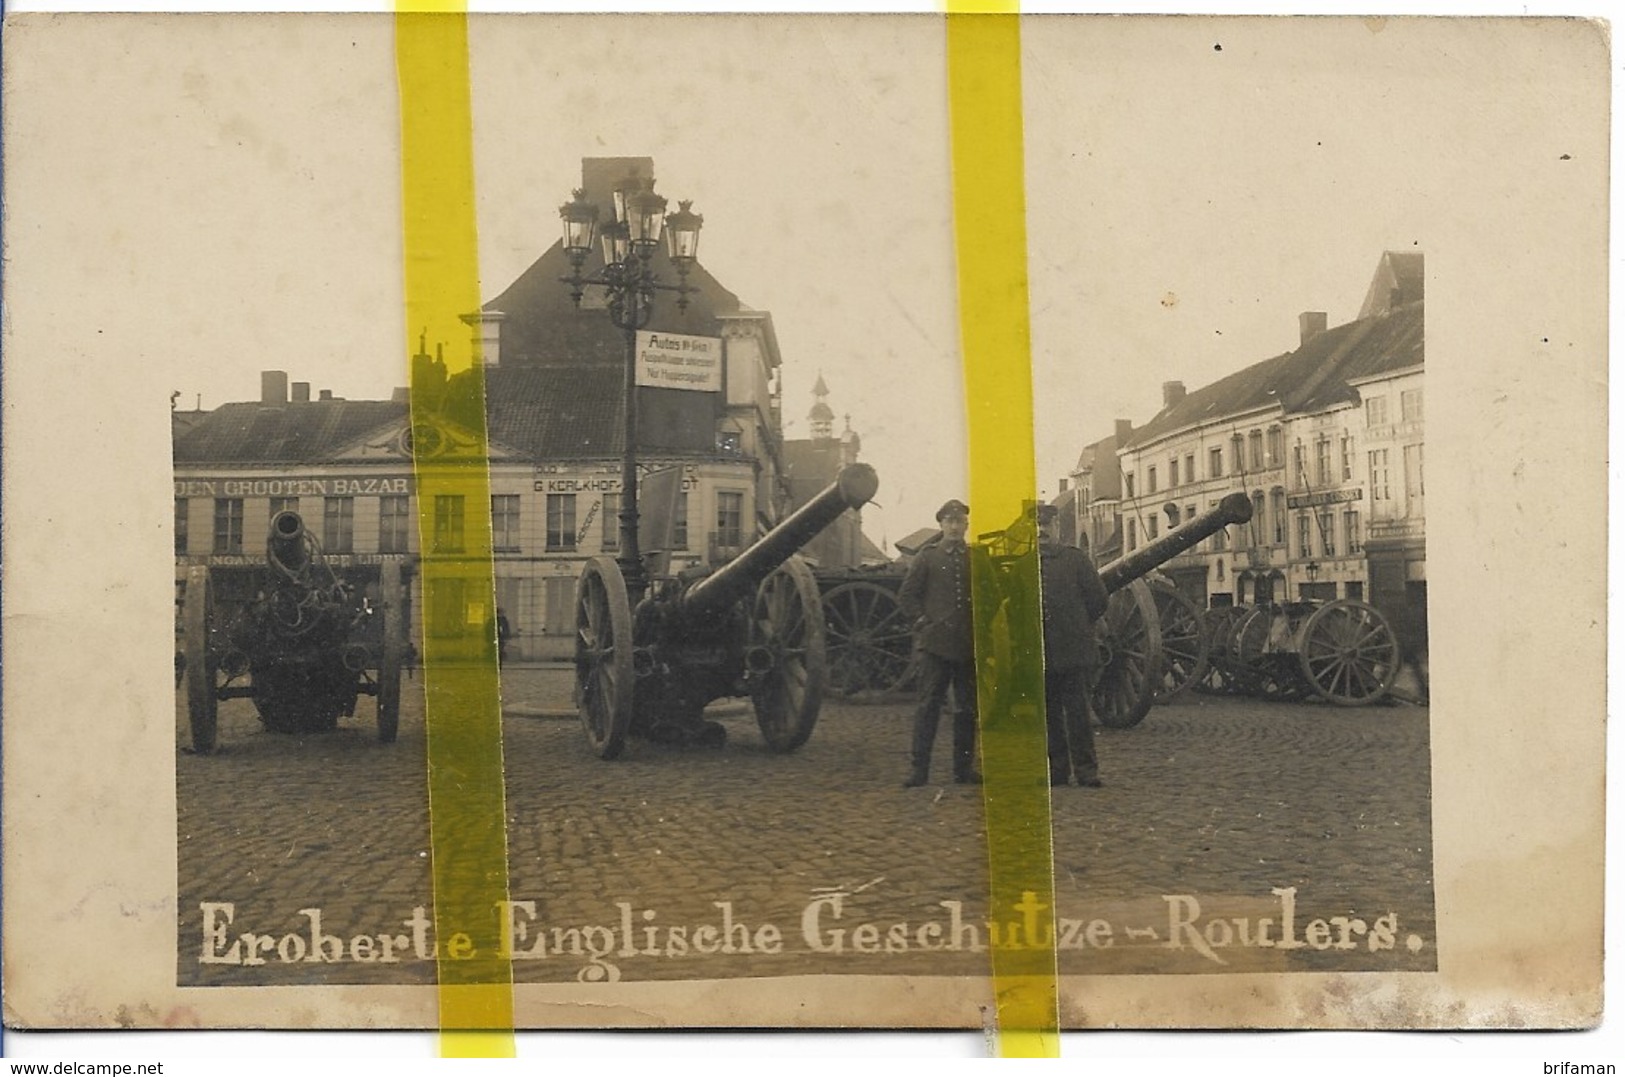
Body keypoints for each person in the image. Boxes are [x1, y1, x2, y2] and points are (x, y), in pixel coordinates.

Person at [897, 499, 988, 788]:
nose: (953, 526)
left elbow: (992, 595)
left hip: (967, 646)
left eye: (959, 521)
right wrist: (922, 622)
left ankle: (963, 770)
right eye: (948, 521)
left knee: (966, 709)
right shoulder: (927, 557)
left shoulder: (976, 558)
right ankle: (919, 770)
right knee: (928, 707)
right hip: (935, 646)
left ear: (966, 525)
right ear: (940, 525)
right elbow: (907, 595)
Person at [1035, 503, 1110, 787]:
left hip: (1073, 650)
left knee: (1078, 713)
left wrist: (1078, 626)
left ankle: (1086, 770)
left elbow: (1098, 599)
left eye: (1047, 525)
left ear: (1057, 527)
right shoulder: (1024, 563)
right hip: (1040, 652)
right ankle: (1057, 770)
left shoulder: (1075, 560)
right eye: (1037, 526)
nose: (1041, 531)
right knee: (1049, 715)